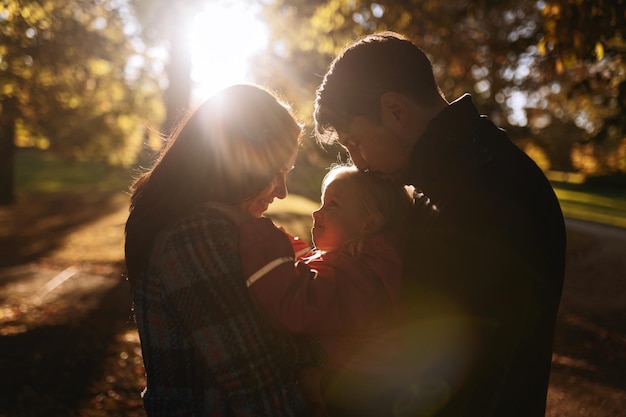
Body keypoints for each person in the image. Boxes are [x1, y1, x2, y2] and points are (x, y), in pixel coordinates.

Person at [313, 31, 566, 417]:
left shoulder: (481, 195)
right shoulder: (463, 171)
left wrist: (324, 387)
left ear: (395, 110)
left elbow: (451, 371)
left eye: (356, 142)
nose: (358, 162)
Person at [124, 84, 311, 416]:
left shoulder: (208, 229)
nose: (281, 192)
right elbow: (258, 387)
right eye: (276, 173)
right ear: (238, 161)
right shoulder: (195, 237)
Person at [231, 164, 413, 416]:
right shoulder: (353, 265)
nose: (317, 213)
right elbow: (316, 272)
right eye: (321, 202)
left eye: (332, 205)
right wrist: (287, 248)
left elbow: (297, 307)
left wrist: (259, 236)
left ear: (368, 225)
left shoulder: (364, 277)